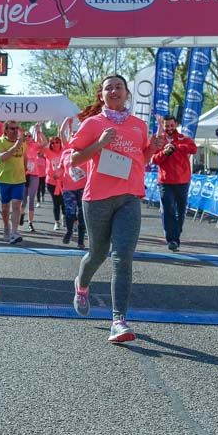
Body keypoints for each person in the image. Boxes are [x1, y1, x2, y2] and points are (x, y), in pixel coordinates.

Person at [68, 75, 166, 343]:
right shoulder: (93, 124)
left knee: (122, 257)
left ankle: (118, 320)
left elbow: (141, 158)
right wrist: (99, 143)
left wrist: (153, 149)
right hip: (98, 198)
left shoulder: (138, 126)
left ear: (127, 94)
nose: (114, 91)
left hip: (129, 197)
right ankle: (82, 284)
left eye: (118, 87)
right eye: (108, 87)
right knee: (98, 253)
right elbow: (74, 158)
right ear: (102, 94)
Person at [150, 115, 197, 251]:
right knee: (168, 209)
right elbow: (154, 159)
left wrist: (176, 147)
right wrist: (165, 152)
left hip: (183, 181)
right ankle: (172, 239)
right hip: (165, 181)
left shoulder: (183, 138)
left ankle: (176, 234)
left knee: (180, 211)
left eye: (171, 125)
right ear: (163, 126)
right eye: (167, 126)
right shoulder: (160, 140)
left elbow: (193, 149)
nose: (169, 128)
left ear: (176, 124)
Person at [0, 120, 28, 244]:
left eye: (16, 128)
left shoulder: (22, 143)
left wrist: (25, 168)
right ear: (6, 130)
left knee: (16, 206)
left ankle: (14, 232)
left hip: (19, 179)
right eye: (12, 129)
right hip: (4, 179)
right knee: (5, 207)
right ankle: (6, 227)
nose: (15, 131)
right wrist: (16, 145)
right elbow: (2, 157)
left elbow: (25, 156)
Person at [58, 117, 88, 248]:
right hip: (68, 189)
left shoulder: (86, 151)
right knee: (70, 213)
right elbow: (60, 168)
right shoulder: (65, 152)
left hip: (83, 189)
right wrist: (57, 173)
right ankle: (69, 231)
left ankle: (81, 240)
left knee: (82, 214)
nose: (73, 138)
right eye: (72, 136)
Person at [20, 124, 46, 230]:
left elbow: (45, 143)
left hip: (34, 175)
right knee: (23, 199)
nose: (28, 137)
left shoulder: (35, 145)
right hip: (23, 175)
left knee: (31, 199)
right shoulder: (21, 146)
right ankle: (21, 215)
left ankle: (30, 223)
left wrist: (39, 132)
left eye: (29, 136)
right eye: (25, 136)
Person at [44, 137, 65, 231]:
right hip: (51, 182)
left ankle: (64, 217)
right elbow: (43, 143)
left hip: (64, 182)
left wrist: (67, 127)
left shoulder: (64, 151)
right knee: (56, 203)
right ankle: (57, 222)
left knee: (64, 202)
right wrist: (39, 132)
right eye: (52, 143)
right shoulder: (48, 152)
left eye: (57, 142)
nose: (55, 144)